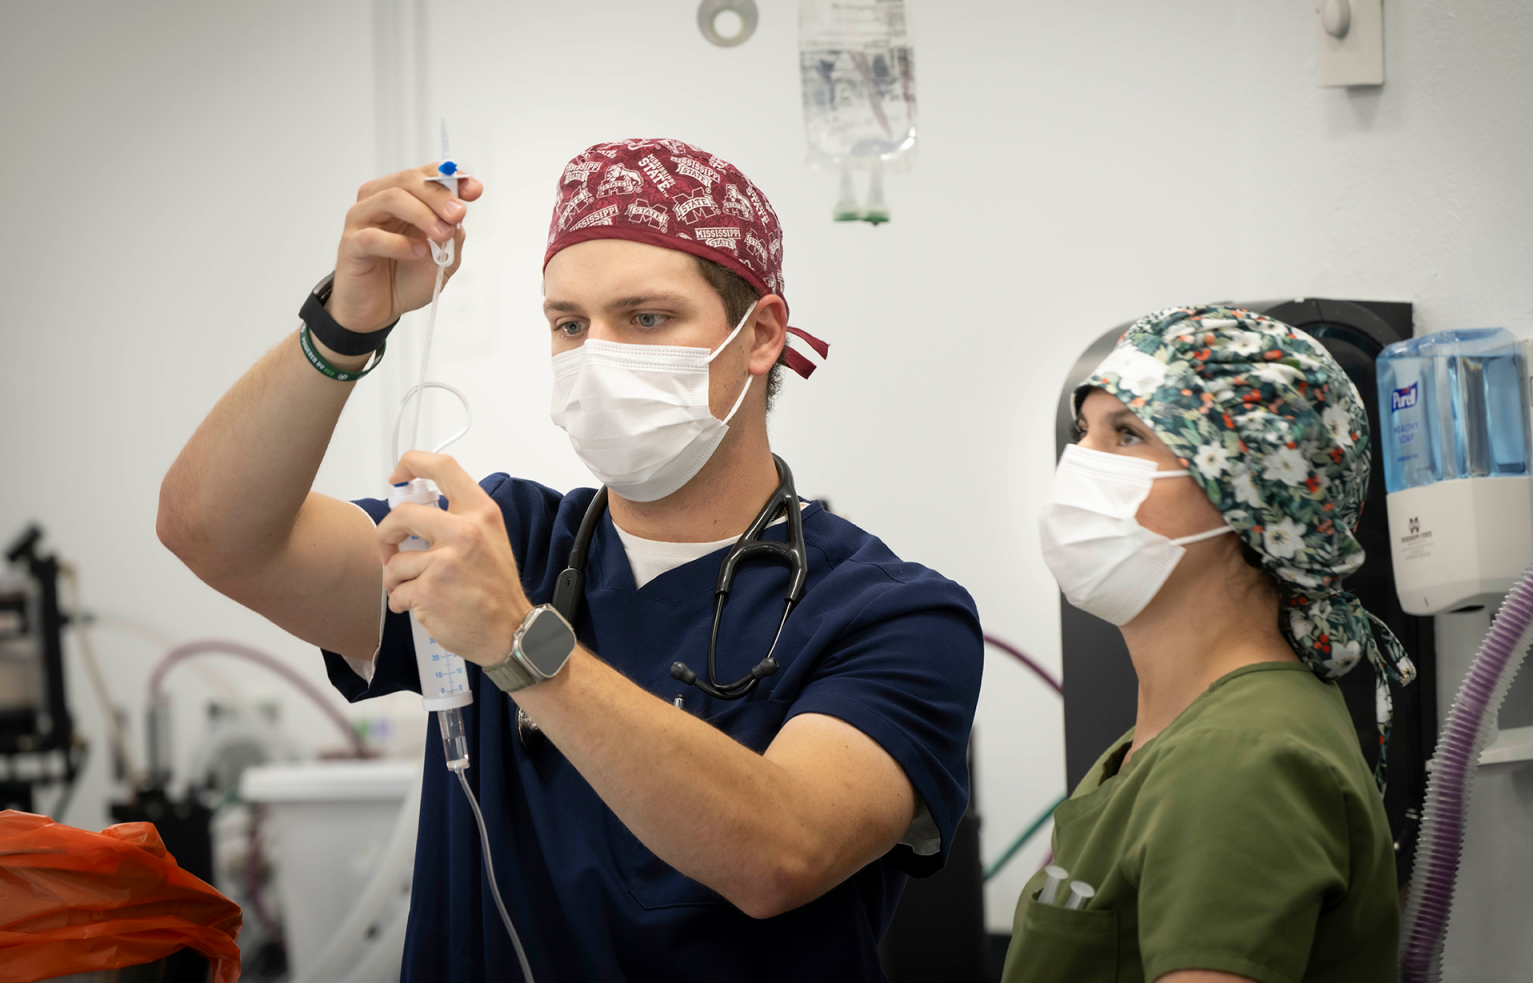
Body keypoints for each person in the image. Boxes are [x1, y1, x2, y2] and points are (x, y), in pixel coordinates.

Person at [157, 138, 983, 982]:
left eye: (646, 318)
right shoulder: (499, 538)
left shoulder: (895, 616)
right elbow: (213, 530)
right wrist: (345, 324)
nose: (597, 355)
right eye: (569, 324)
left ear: (761, 333)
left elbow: (780, 856)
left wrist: (521, 643)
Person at [1004, 305, 1416, 983]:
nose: (1079, 463)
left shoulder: (1243, 758)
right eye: (1084, 430)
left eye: (1129, 434)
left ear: (1253, 494)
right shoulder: (1167, 742)